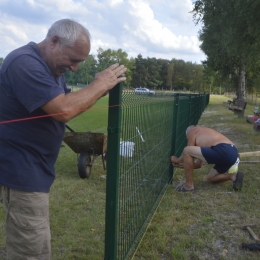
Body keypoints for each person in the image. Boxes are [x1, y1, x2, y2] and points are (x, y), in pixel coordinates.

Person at [0, 19, 127, 259]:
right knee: (31, 252)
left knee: (34, 244)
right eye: (73, 59)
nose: (75, 68)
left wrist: (97, 88)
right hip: (22, 171)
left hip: (35, 169)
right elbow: (63, 110)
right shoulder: (24, 63)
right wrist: (99, 84)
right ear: (54, 42)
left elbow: (67, 99)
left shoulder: (50, 66)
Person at [170, 125, 244, 192]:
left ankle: (188, 185)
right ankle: (233, 176)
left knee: (187, 150)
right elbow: (199, 165)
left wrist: (177, 160)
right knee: (210, 178)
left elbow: (188, 151)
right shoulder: (204, 136)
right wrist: (179, 166)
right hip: (233, 152)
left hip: (223, 149)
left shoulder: (191, 131)